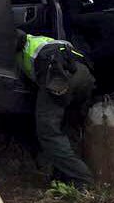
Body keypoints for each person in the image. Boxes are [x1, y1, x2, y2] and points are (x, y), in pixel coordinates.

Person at [17, 31, 96, 189]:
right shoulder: (40, 40)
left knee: (48, 131)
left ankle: (82, 179)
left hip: (59, 76)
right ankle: (64, 179)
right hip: (84, 74)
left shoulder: (13, 44)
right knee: (68, 129)